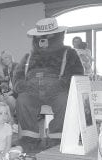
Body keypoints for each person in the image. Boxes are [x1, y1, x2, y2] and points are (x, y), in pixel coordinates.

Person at [13, 18, 84, 152]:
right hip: (31, 90)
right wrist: (22, 85)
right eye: (40, 37)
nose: (43, 40)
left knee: (64, 101)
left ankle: (57, 139)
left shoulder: (69, 53)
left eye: (49, 36)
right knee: (22, 100)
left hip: (57, 90)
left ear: (57, 36)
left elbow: (78, 73)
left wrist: (62, 84)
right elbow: (18, 75)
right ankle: (30, 139)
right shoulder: (28, 56)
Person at [0, 51, 18, 117]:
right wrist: (3, 84)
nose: (4, 60)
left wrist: (8, 93)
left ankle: (10, 118)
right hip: (11, 92)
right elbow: (7, 85)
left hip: (18, 92)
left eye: (6, 57)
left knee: (10, 99)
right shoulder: (5, 70)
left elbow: (18, 85)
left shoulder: (17, 67)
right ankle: (5, 118)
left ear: (11, 57)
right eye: (2, 59)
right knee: (0, 97)